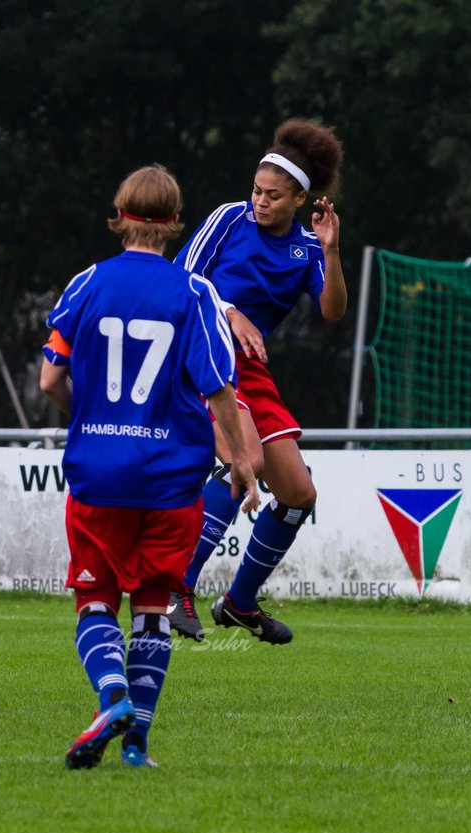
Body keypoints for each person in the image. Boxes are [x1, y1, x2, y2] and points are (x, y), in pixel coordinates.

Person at [40, 164, 259, 770]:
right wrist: (241, 461)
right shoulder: (195, 293)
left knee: (95, 602)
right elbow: (218, 389)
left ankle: (111, 698)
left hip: (99, 474)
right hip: (171, 481)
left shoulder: (86, 284)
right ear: (174, 223)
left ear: (120, 216)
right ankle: (137, 746)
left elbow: (50, 377)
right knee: (155, 607)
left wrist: (88, 415)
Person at [167, 118, 345, 645]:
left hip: (252, 370)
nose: (260, 201)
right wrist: (230, 311)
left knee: (298, 493)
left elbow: (333, 311)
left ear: (299, 199)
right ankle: (174, 589)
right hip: (204, 349)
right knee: (248, 462)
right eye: (256, 190)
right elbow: (181, 279)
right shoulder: (229, 218)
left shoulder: (309, 247)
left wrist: (332, 251)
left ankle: (240, 604)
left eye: (273, 195)